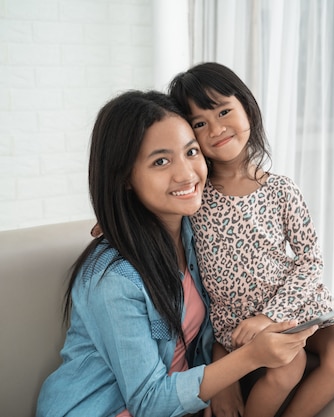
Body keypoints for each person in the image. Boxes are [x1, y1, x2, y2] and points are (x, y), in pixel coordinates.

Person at [36, 90, 317, 417]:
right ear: (124, 177)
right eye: (160, 161)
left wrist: (222, 373)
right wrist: (249, 358)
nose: (186, 174)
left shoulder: (197, 231)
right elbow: (149, 402)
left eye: (191, 151)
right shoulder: (112, 279)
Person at [169, 62, 334, 417]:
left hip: (291, 305)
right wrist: (116, 220)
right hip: (238, 319)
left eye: (224, 111)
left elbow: (310, 260)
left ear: (247, 109)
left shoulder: (281, 188)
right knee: (289, 365)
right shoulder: (195, 195)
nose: (216, 128)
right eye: (199, 123)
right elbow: (154, 210)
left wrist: (272, 315)